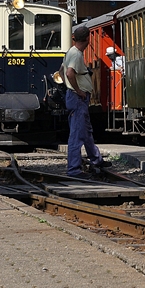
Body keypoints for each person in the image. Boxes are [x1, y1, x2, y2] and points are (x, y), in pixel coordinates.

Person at [61, 25, 103, 178]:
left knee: (86, 132)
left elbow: (61, 71)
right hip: (78, 97)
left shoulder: (70, 52)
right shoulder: (77, 55)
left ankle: (96, 159)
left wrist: (67, 85)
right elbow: (69, 72)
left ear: (74, 38)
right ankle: (74, 170)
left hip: (74, 97)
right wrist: (78, 90)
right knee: (77, 135)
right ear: (87, 39)